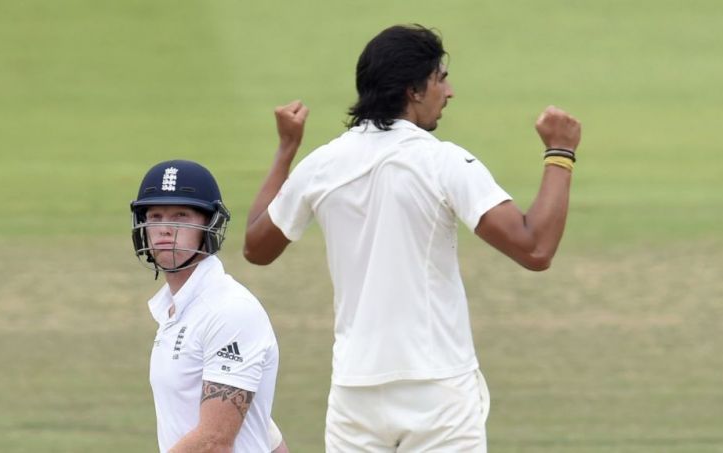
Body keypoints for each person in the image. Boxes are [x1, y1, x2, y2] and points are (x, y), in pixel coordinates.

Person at [243, 24, 581, 452]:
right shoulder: (442, 161)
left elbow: (256, 247)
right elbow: (535, 248)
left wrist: (286, 150)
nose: (450, 91)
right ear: (413, 91)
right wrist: (560, 152)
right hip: (438, 391)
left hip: (355, 395)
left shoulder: (321, 165)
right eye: (441, 78)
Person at [130, 160, 289, 452]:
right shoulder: (176, 310)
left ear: (210, 225)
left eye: (181, 216)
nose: (166, 229)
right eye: (155, 216)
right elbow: (257, 419)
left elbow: (214, 442)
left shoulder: (229, 310)